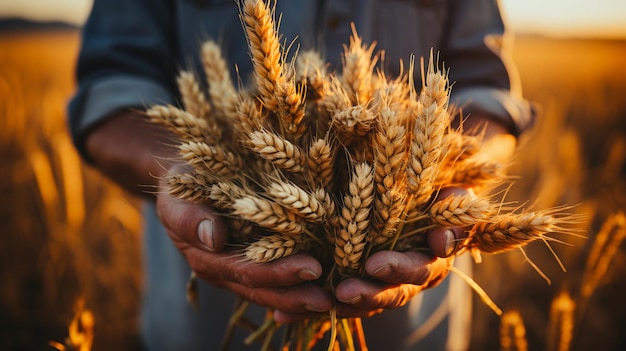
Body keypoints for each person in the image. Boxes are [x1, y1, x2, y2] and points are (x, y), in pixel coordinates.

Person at [68, 0, 534, 350]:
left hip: (414, 331)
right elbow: (111, 88)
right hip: (200, 332)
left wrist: (453, 172)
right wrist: (185, 170)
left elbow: (485, 91)